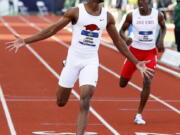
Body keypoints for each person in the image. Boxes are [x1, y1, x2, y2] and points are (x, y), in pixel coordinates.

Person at [6, 0, 153, 134]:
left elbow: (119, 42)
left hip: (91, 60)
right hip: (73, 59)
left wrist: (135, 61)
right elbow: (52, 30)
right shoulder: (75, 12)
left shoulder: (107, 17)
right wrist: (25, 41)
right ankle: (65, 66)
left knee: (86, 97)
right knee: (61, 101)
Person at [119, 0, 166, 125]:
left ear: (149, 2)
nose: (140, 3)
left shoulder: (158, 15)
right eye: (139, 1)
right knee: (122, 83)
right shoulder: (131, 15)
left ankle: (138, 114)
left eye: (143, 1)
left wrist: (161, 40)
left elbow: (163, 27)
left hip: (150, 53)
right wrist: (126, 39)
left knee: (147, 81)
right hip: (134, 53)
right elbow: (120, 32)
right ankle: (128, 74)